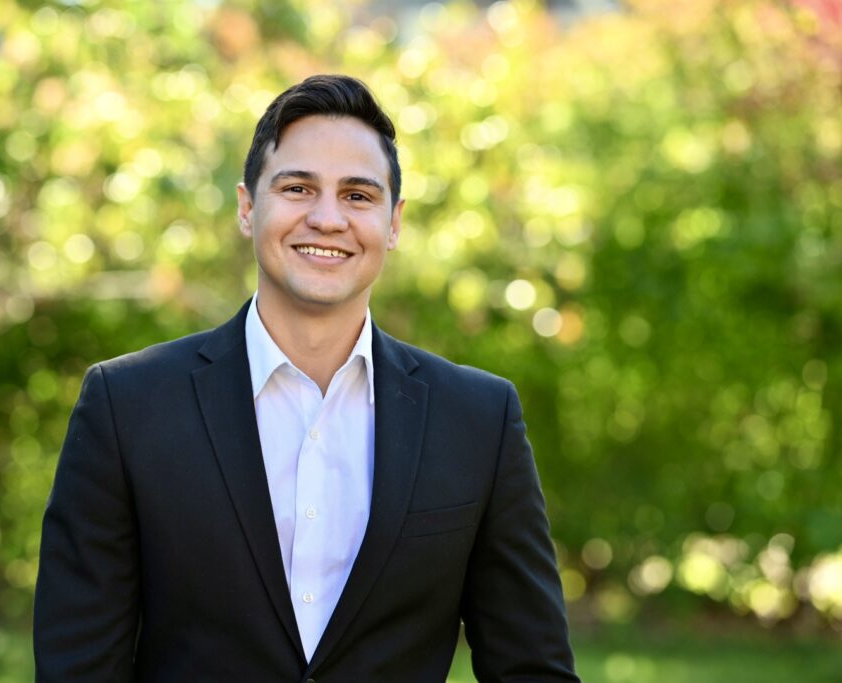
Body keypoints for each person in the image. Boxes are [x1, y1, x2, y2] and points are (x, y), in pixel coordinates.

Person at [33, 74, 579, 683]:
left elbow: (533, 669)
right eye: (298, 188)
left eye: (358, 195)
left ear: (393, 224)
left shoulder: (479, 419)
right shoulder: (126, 406)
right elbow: (77, 669)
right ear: (247, 208)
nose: (327, 218)